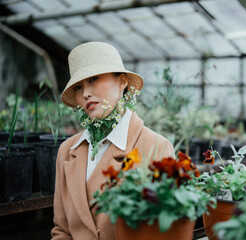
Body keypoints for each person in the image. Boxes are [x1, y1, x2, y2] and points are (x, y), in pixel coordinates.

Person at [51, 42, 175, 240]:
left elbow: (166, 229)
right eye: (78, 86)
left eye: (93, 79)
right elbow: (61, 231)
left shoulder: (155, 147)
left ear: (123, 81)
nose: (85, 94)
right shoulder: (67, 151)